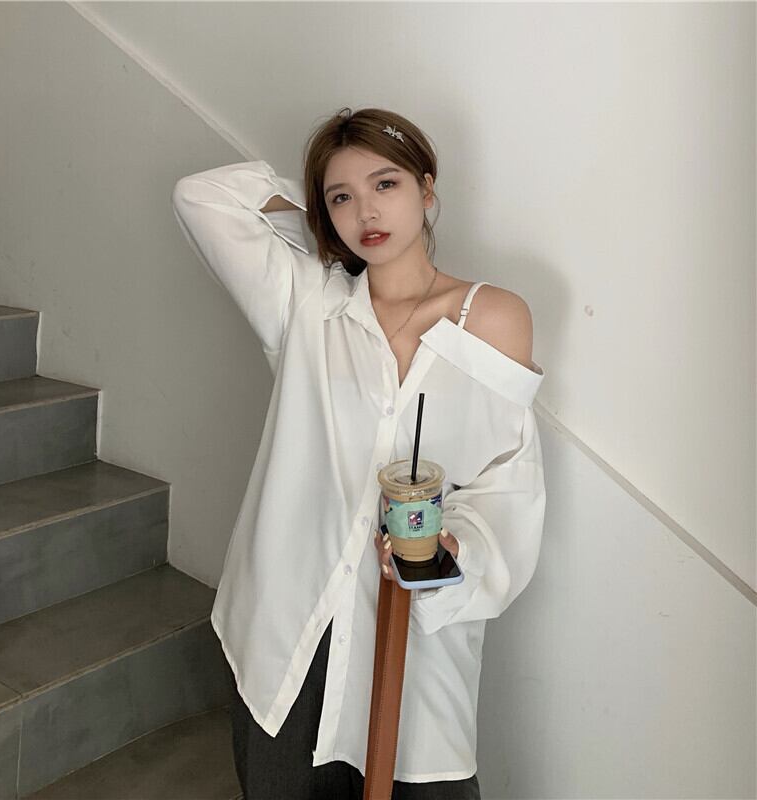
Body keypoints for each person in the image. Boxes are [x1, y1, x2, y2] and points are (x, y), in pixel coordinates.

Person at [172, 106, 547, 800]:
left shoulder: (493, 317)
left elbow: (505, 481)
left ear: (427, 189)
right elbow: (202, 197)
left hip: (417, 629)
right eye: (341, 197)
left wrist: (452, 552)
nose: (366, 212)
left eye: (386, 185)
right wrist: (318, 221)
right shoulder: (308, 303)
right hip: (291, 627)